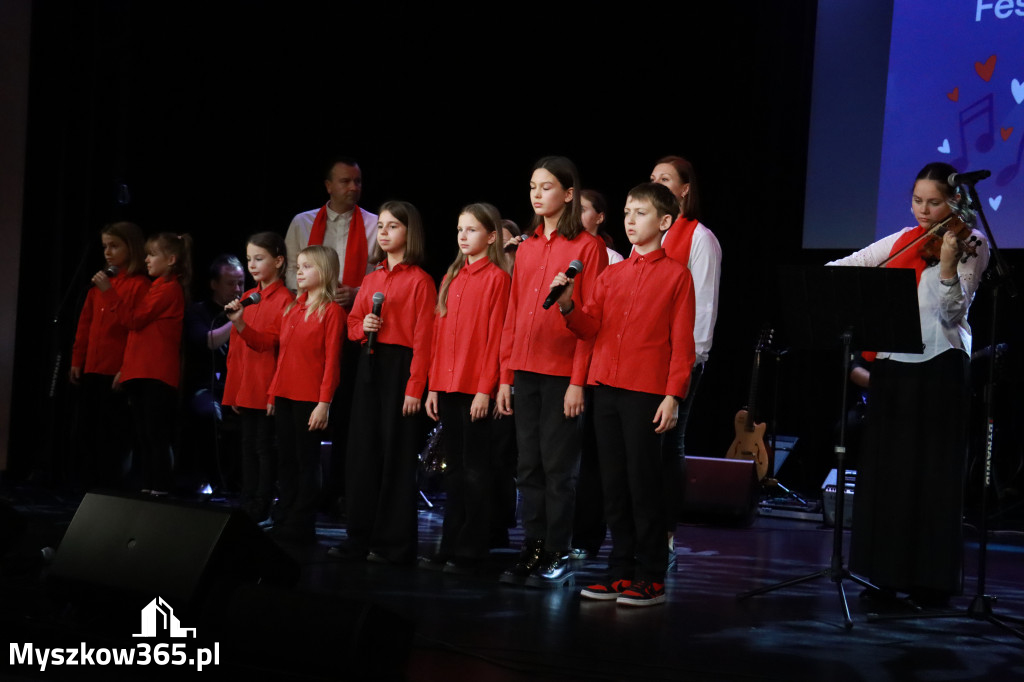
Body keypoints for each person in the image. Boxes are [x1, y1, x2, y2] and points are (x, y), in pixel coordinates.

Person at [828, 161, 990, 608]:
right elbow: (842, 267)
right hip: (895, 366)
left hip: (939, 367)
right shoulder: (902, 239)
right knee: (889, 477)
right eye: (917, 200)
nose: (923, 210)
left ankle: (929, 582)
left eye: (934, 202)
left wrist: (946, 265)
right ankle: (884, 577)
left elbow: (952, 313)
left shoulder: (972, 243)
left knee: (929, 478)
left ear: (954, 201)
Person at [550, 181, 696, 606]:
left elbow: (682, 345)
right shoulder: (611, 274)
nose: (632, 221)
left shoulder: (676, 276)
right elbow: (589, 328)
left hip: (646, 392)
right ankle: (620, 570)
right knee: (613, 485)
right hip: (607, 389)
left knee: (643, 485)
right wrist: (566, 305)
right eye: (629, 212)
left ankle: (650, 574)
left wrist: (673, 395)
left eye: (642, 213)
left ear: (665, 221)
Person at [496, 156, 606, 589]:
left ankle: (558, 549)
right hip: (525, 367)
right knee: (528, 467)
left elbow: (592, 319)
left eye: (545, 187)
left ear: (568, 192)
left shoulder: (587, 247)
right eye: (532, 187)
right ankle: (533, 545)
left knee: (559, 469)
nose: (537, 194)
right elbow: (513, 314)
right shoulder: (525, 247)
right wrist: (505, 376)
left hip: (563, 372)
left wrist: (578, 381)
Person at [337, 201, 436, 565]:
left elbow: (425, 341)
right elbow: (351, 325)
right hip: (370, 364)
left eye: (393, 226)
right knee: (362, 453)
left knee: (395, 456)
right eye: (381, 225)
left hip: (401, 368)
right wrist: (363, 327)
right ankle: (358, 535)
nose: (384, 232)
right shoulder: (372, 278)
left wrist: (415, 387)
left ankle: (393, 543)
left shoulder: (421, 281)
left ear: (410, 234)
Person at [283, 156, 377, 517]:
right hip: (310, 323)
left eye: (357, 181)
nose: (353, 188)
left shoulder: (371, 223)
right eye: (344, 182)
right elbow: (293, 271)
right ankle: (303, 497)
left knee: (346, 414)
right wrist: (318, 294)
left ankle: (338, 491)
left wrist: (354, 293)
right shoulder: (303, 222)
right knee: (307, 413)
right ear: (328, 186)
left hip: (351, 327)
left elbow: (377, 275)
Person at [421, 203, 511, 574]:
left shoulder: (497, 279)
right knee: (454, 468)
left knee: (476, 469)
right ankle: (451, 542)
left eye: (471, 230)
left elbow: (496, 338)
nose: (462, 235)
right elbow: (440, 336)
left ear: (491, 237)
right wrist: (432, 387)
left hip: (476, 386)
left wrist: (485, 389)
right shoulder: (452, 277)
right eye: (460, 229)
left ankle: (472, 548)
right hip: (448, 383)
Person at [650, 155, 722, 567]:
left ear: (684, 189)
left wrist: (693, 360)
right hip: (644, 359)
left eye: (665, 179)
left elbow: (704, 307)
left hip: (682, 359)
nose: (657, 183)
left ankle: (666, 537)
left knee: (669, 446)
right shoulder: (646, 235)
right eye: (652, 178)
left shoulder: (699, 239)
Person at [94, 232, 192, 494]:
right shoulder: (158, 286)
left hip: (156, 372)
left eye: (152, 255)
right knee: (145, 435)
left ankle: (160, 487)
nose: (146, 259)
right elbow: (137, 334)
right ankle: (150, 487)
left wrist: (109, 293)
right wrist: (126, 369)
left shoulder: (169, 289)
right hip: (141, 370)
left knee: (155, 434)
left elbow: (134, 321)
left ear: (171, 259)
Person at [265, 245, 345, 545]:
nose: (299, 272)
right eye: (298, 266)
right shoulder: (291, 309)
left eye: (307, 266)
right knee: (285, 458)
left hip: (309, 398)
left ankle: (302, 520)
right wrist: (273, 394)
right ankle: (284, 512)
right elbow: (283, 357)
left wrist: (323, 403)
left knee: (306, 459)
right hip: (285, 394)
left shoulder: (332, 312)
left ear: (323, 272)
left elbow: (332, 362)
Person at [68, 221, 149, 491]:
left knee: (113, 433)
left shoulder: (138, 285)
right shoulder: (100, 285)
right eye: (105, 247)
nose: (107, 252)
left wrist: (126, 367)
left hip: (116, 370)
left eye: (114, 246)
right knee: (88, 430)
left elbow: (135, 330)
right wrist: (77, 359)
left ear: (132, 247)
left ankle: (111, 487)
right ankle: (88, 485)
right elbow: (85, 325)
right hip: (93, 366)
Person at [223, 232, 295, 522]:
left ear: (278, 261)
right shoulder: (247, 297)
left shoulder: (285, 299)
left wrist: (240, 324)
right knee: (247, 446)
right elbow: (237, 351)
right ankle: (247, 498)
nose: (252, 265)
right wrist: (235, 389)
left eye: (259, 258)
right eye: (249, 259)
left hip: (266, 385)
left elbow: (271, 344)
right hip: (247, 385)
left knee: (265, 447)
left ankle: (262, 503)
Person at [181, 254, 245, 494]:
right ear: (214, 284)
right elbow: (207, 341)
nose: (237, 289)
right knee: (210, 414)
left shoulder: (250, 308)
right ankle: (211, 481)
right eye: (230, 283)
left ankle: (242, 485)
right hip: (205, 386)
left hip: (238, 386)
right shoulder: (198, 312)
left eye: (241, 282)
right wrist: (238, 320)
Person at [580, 189, 624, 266]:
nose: (574, 215)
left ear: (600, 218)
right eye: (571, 211)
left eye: (581, 210)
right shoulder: (562, 250)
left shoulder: (613, 258)